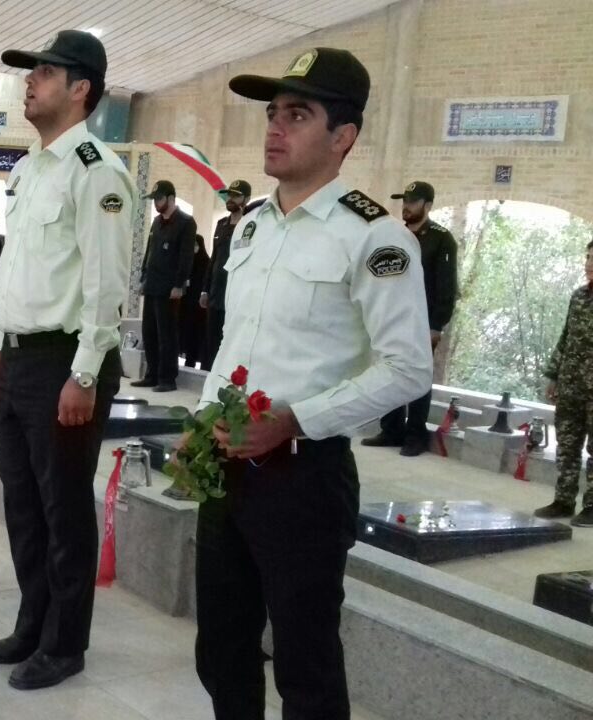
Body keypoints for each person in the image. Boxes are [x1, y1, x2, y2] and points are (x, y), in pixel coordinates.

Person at [190, 48, 432, 719]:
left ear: (343, 136)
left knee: (306, 665)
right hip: (226, 465)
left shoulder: (375, 237)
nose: (275, 127)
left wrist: (296, 418)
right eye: (273, 113)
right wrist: (202, 424)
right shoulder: (252, 226)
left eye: (297, 115)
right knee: (222, 650)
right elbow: (237, 343)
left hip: (304, 477)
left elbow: (409, 367)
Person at [0, 30, 132, 690]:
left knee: (63, 508)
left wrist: (85, 372)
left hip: (66, 361)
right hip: (19, 358)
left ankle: (65, 645)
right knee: (23, 505)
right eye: (29, 72)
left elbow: (106, 282)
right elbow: (18, 268)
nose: (29, 81)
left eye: (44, 72)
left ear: (80, 89)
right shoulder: (29, 169)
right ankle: (32, 624)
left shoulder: (96, 170)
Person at [362, 180, 458, 456]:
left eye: (413, 202)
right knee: (388, 370)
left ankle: (416, 434)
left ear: (427, 205)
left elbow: (446, 286)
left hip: (422, 320)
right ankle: (391, 429)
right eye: (404, 201)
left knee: (417, 375)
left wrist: (436, 325)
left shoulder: (441, 238)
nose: (406, 206)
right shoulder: (396, 235)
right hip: (392, 316)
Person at [535, 240, 593, 527]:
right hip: (571, 385)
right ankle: (564, 500)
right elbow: (565, 337)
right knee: (567, 445)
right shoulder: (579, 296)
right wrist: (553, 375)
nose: (588, 264)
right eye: (588, 258)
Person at [130, 180, 196, 392]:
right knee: (149, 332)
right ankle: (151, 375)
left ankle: (167, 378)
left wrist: (179, 284)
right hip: (152, 284)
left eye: (159, 199)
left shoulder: (186, 222)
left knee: (166, 335)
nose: (156, 203)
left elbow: (186, 257)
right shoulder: (157, 222)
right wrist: (143, 278)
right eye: (154, 199)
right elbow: (149, 252)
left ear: (171, 198)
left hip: (169, 288)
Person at [200, 179, 252, 371]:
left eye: (236, 196)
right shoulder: (221, 224)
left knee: (230, 341)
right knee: (211, 339)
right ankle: (208, 379)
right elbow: (214, 258)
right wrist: (205, 290)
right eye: (229, 195)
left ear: (246, 199)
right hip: (216, 292)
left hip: (236, 294)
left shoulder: (251, 225)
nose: (230, 199)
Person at [180, 233, 210, 368]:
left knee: (197, 335)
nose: (194, 248)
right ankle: (187, 359)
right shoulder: (188, 262)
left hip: (199, 308)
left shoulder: (206, 263)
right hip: (186, 305)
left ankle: (196, 361)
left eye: (196, 245)